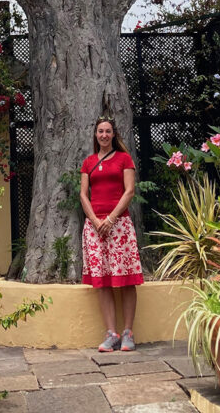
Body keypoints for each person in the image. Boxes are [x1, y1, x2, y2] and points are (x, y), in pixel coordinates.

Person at [80, 115, 144, 352]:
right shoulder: (88, 162)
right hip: (95, 229)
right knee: (102, 281)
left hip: (120, 227)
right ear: (95, 135)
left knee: (127, 280)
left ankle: (128, 332)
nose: (104, 135)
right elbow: (83, 195)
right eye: (100, 131)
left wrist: (111, 219)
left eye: (108, 131)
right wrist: (96, 221)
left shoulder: (124, 159)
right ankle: (111, 333)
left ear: (114, 134)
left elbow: (129, 191)